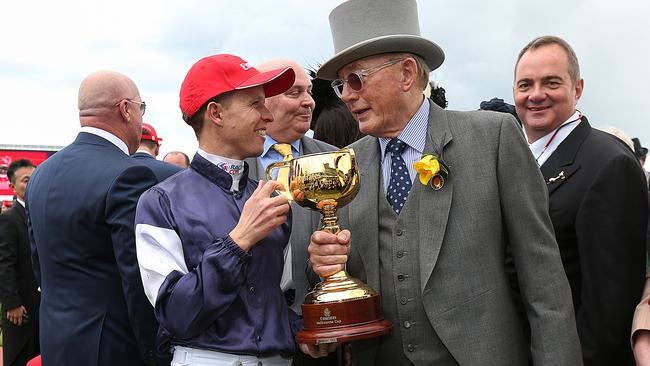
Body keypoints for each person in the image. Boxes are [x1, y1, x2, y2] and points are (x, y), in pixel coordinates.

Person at [309, 1, 582, 365]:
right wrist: (329, 265)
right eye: (342, 85)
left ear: (407, 73)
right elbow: (350, 283)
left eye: (357, 79)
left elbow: (543, 279)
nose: (347, 96)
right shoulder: (347, 165)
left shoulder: (493, 137)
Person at [134, 54, 330, 365]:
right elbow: (176, 314)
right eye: (256, 104)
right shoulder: (160, 202)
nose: (267, 115)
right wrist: (237, 242)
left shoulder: (267, 198)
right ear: (216, 113)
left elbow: (269, 300)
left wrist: (304, 334)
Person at [513, 35, 648, 366]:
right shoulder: (519, 160)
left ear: (578, 88)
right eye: (525, 84)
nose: (535, 95)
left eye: (551, 82)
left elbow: (610, 309)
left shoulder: (608, 163)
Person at [25, 71, 159, 365]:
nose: (140, 118)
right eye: (141, 108)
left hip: (56, 340)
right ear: (125, 109)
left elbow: (41, 268)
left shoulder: (41, 174)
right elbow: (138, 281)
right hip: (112, 346)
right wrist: (156, 352)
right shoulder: (129, 174)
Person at [0, 159, 39, 366]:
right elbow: (4, 263)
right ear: (13, 187)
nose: (32, 184)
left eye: (35, 179)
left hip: (46, 308)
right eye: (26, 180)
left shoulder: (44, 213)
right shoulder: (9, 219)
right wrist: (12, 303)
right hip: (21, 309)